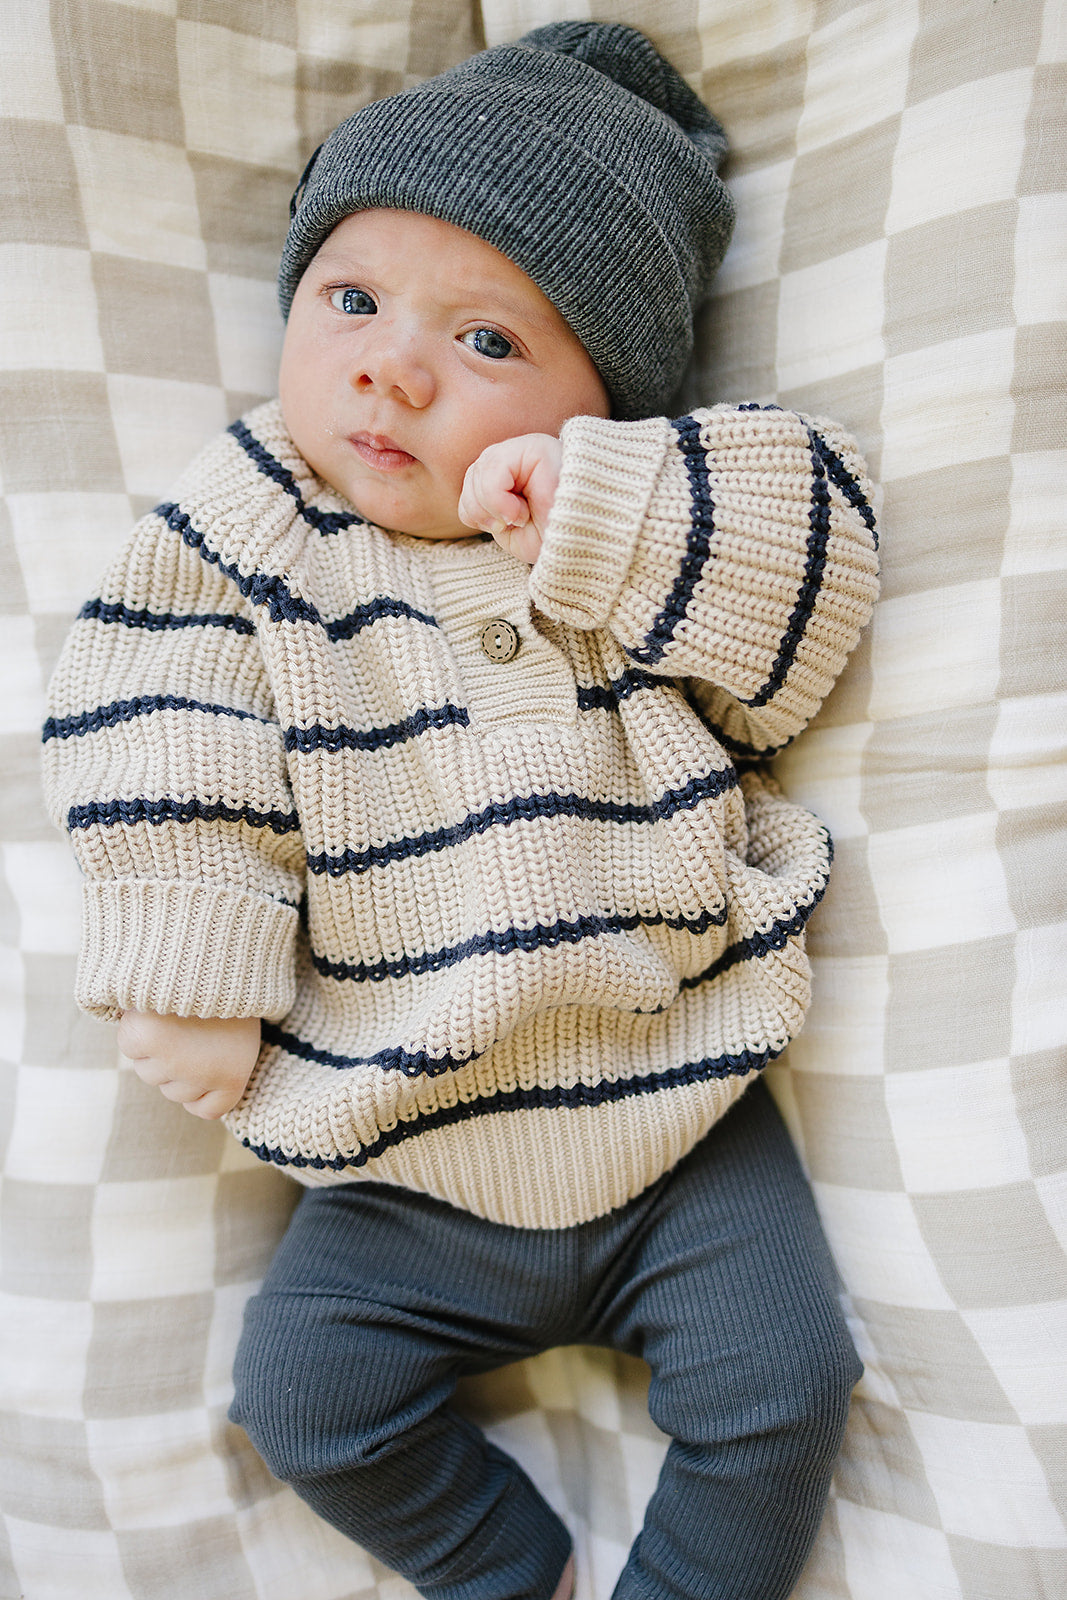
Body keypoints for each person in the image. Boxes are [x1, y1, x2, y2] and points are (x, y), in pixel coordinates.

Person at [43, 22, 880, 1600]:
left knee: (783, 1389)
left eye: (489, 339)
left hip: (676, 1104)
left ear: (605, 389)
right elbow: (157, 714)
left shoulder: (628, 510)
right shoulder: (250, 528)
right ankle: (508, 1575)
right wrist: (194, 956)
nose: (392, 369)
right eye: (350, 300)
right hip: (399, 1154)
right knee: (307, 1406)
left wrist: (602, 507)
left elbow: (809, 592)